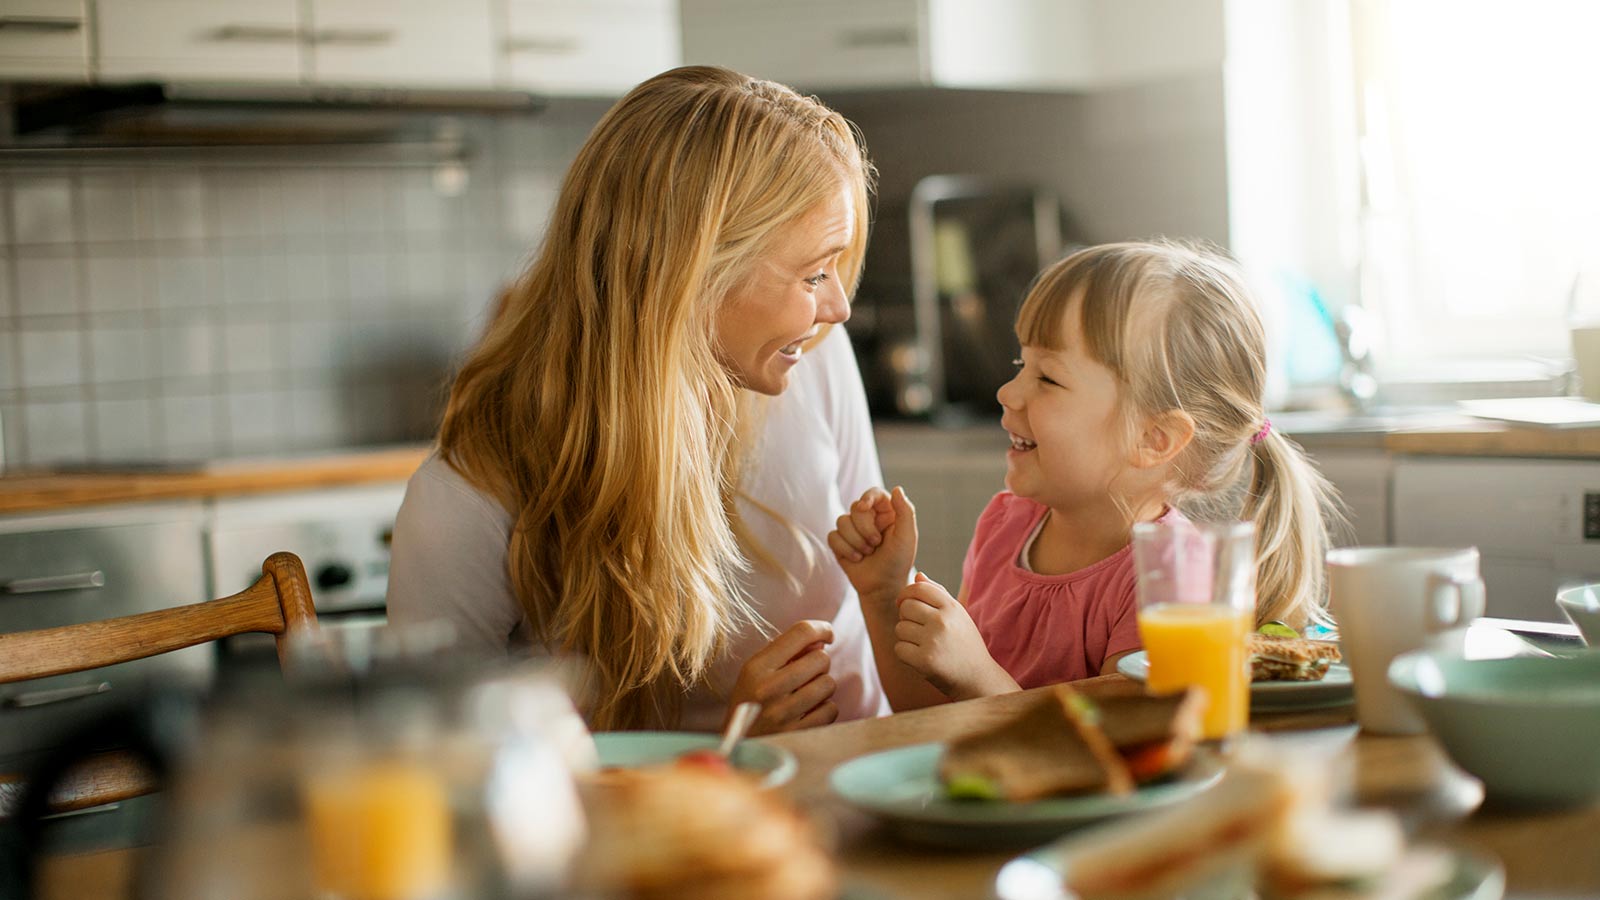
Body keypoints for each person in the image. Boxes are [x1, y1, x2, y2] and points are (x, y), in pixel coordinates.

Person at [386, 66, 891, 734]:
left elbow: (876, 594)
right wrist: (729, 747)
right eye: (813, 273)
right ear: (695, 271)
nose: (839, 307)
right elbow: (448, 778)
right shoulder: (469, 497)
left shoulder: (815, 358)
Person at [829, 241, 1341, 710]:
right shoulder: (1006, 524)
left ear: (1153, 439)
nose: (1008, 392)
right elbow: (928, 718)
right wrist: (881, 595)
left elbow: (1119, 755)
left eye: (1047, 376)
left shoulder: (1168, 578)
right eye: (1020, 363)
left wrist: (978, 677)